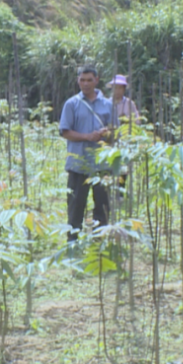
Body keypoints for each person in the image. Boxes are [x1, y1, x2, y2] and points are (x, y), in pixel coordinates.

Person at [60, 66, 113, 242]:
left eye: (89, 80)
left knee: (103, 208)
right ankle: (72, 245)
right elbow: (65, 131)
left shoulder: (108, 105)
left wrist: (107, 134)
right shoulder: (71, 104)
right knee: (75, 207)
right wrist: (87, 136)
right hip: (78, 165)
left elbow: (116, 134)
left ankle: (99, 245)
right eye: (82, 80)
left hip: (102, 166)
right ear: (78, 81)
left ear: (96, 81)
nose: (85, 83)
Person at [107, 74, 141, 193]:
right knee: (109, 165)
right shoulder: (106, 103)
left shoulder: (129, 103)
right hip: (109, 140)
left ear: (124, 89)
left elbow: (137, 121)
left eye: (120, 87)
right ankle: (109, 191)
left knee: (123, 167)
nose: (117, 90)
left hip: (125, 140)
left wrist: (126, 121)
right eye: (115, 87)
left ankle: (120, 193)